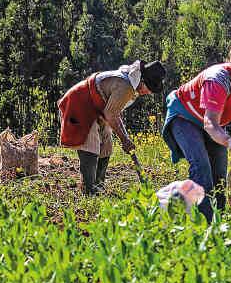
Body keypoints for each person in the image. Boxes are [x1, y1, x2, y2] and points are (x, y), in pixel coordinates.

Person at [161, 42, 231, 222]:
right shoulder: (218, 80)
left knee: (220, 175)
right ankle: (203, 225)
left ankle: (219, 222)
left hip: (213, 122)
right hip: (185, 115)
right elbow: (210, 124)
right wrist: (228, 141)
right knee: (201, 167)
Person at [58, 60, 166, 195]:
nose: (148, 92)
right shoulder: (125, 86)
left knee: (107, 143)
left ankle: (99, 185)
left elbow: (114, 113)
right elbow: (111, 114)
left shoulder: (130, 86)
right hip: (81, 103)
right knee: (90, 144)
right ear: (141, 80)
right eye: (149, 87)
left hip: (97, 109)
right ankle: (89, 189)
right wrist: (124, 139)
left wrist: (125, 138)